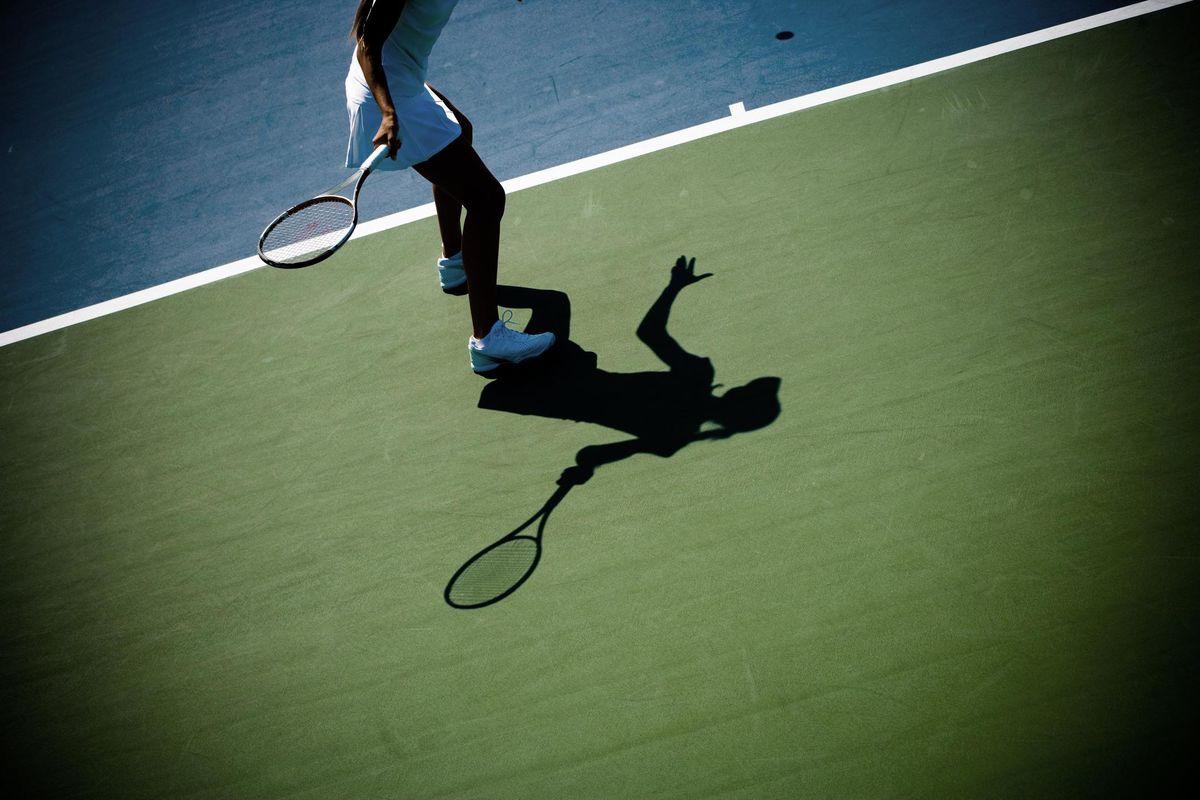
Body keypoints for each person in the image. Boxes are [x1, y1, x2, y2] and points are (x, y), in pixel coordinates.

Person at [345, 0, 554, 374]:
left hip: (402, 80)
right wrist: (389, 113)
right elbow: (368, 44)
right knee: (487, 200)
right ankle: (487, 339)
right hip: (387, 93)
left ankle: (455, 262)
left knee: (460, 131)